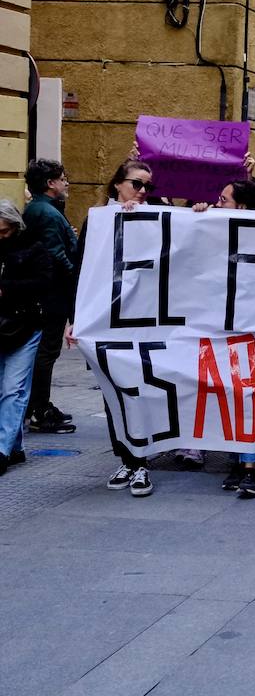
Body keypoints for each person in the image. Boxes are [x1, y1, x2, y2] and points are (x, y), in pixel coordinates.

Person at [77, 160, 164, 491]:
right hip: (105, 321)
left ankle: (140, 461)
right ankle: (128, 459)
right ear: (117, 184)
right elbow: (81, 270)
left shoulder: (152, 215)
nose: (142, 192)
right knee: (112, 390)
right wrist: (76, 318)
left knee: (138, 389)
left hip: (142, 321)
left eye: (148, 187)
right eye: (136, 184)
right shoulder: (99, 220)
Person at [194, 178, 255, 498]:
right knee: (229, 393)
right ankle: (237, 460)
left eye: (223, 199)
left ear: (241, 206)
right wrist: (195, 216)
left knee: (250, 394)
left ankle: (250, 465)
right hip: (222, 325)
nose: (218, 202)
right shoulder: (214, 225)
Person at [22, 158, 77, 435]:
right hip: (53, 294)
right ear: (50, 183)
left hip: (47, 292)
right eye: (62, 179)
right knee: (46, 352)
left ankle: (38, 405)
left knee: (44, 351)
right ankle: (39, 410)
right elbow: (55, 254)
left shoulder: (43, 209)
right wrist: (76, 275)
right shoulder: (46, 212)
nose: (66, 183)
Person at [0, 200, 51, 477]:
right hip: (5, 324)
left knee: (13, 389)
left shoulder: (33, 247)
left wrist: (6, 289)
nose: (1, 236)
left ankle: (2, 449)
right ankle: (15, 445)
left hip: (25, 325)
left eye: (4, 231)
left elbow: (44, 283)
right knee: (5, 390)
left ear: (15, 226)